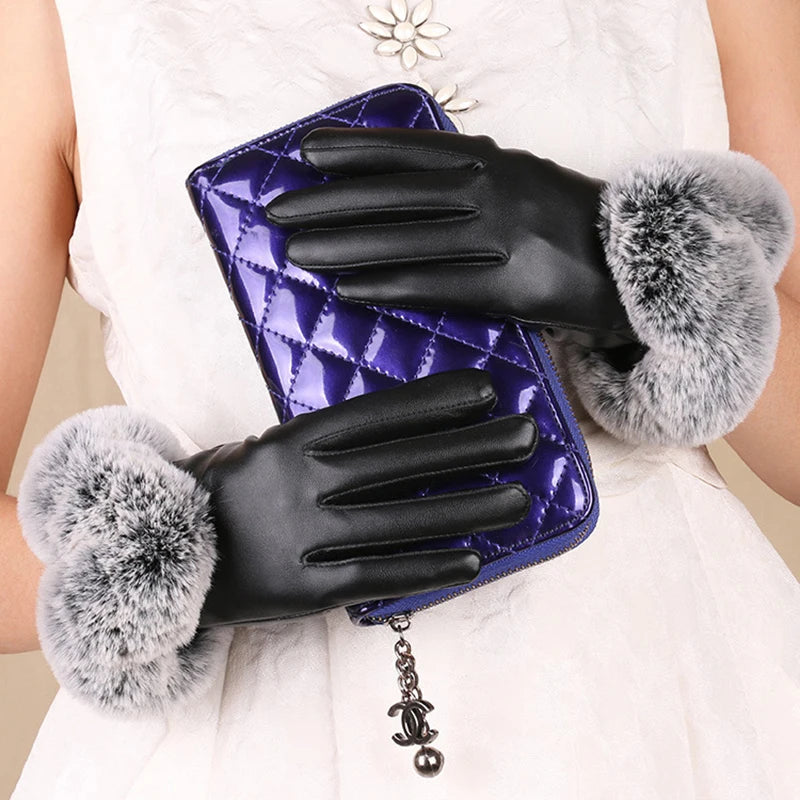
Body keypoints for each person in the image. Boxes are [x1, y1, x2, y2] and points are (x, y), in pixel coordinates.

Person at [2, 0, 799, 797]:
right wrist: (196, 552)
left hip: (677, 684)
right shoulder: (51, 23)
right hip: (275, 748)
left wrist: (636, 279)